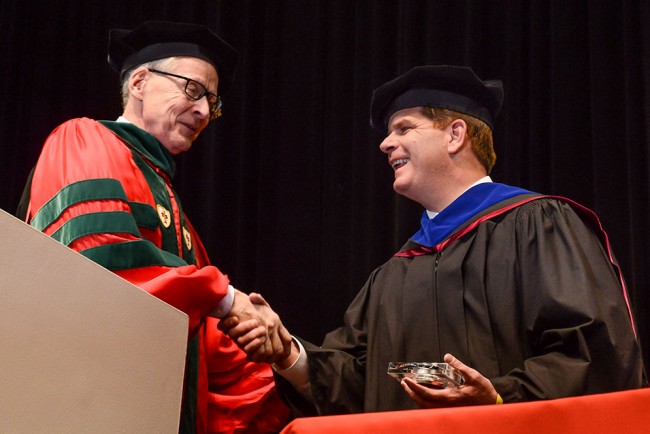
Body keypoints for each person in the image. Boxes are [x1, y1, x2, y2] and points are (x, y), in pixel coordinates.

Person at [221, 65, 646, 415]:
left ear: (455, 135)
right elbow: (357, 384)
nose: (387, 143)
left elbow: (594, 354)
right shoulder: (395, 273)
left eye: (404, 128)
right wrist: (286, 353)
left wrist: (498, 398)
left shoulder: (538, 226)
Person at [21, 21, 292, 433]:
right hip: (89, 402)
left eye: (213, 103)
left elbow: (207, 343)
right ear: (141, 81)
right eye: (194, 90)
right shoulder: (84, 138)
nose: (203, 111)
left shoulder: (173, 206)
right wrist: (224, 297)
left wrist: (276, 350)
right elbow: (98, 262)